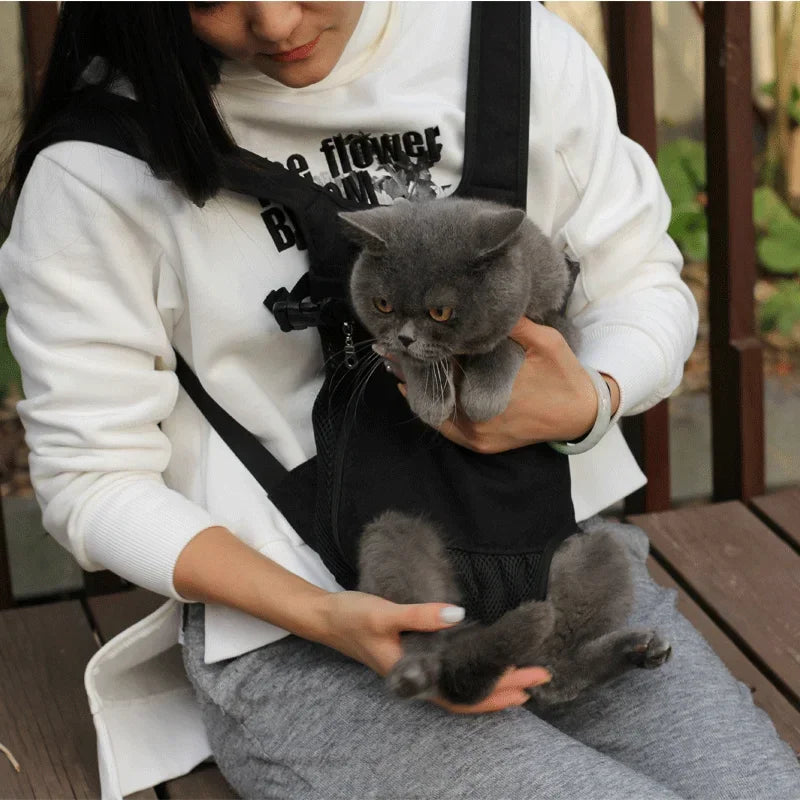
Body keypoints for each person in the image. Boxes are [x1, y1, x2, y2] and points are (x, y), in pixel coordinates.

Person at [1, 3, 798, 799]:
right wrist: (323, 616)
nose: (275, 23)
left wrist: (593, 396)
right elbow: (92, 479)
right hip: (303, 627)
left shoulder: (508, 43)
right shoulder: (98, 165)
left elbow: (638, 283)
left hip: (549, 564)